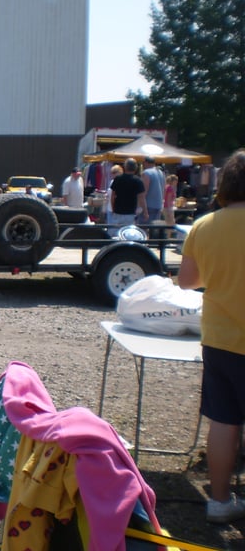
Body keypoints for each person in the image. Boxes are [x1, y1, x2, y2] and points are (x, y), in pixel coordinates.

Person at [178, 150, 245, 524]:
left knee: (223, 420)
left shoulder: (204, 226)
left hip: (219, 339)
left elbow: (188, 281)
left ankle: (219, 501)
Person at [110, 157, 147, 226]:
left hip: (118, 211)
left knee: (115, 233)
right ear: (136, 168)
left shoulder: (117, 179)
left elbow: (112, 196)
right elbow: (142, 198)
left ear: (125, 167)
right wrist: (145, 212)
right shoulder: (138, 181)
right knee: (128, 234)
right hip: (130, 213)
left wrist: (113, 208)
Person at [140, 156, 165, 224]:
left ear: (145, 163)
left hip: (148, 206)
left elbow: (143, 193)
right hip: (158, 206)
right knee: (154, 231)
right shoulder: (160, 172)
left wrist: (144, 211)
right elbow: (163, 189)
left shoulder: (146, 173)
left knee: (143, 230)